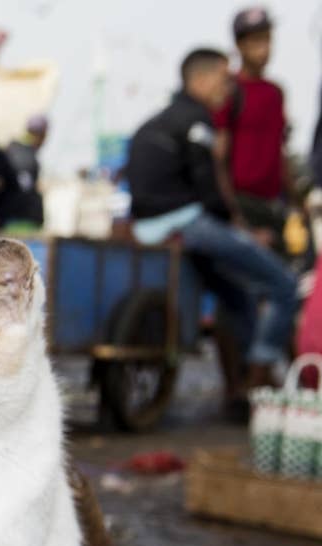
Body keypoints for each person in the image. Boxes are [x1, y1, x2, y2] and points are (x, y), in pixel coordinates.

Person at [127, 47, 299, 408]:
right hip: (188, 222)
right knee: (283, 284)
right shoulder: (197, 121)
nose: (229, 89)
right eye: (223, 80)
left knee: (238, 297)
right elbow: (209, 192)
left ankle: (242, 386)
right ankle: (261, 368)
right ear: (201, 80)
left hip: (149, 227)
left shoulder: (157, 122)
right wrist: (246, 232)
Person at [213, 7, 289, 247]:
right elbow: (218, 157)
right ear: (239, 45)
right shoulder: (229, 91)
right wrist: (234, 217)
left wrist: (299, 202)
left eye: (267, 39)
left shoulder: (275, 92)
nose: (264, 48)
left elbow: (280, 151)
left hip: (273, 205)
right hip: (242, 204)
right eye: (256, 41)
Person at [5, 114, 48, 227]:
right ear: (41, 135)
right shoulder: (24, 156)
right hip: (21, 221)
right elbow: (24, 189)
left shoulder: (14, 149)